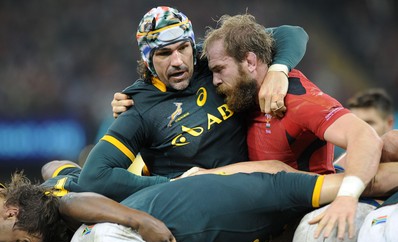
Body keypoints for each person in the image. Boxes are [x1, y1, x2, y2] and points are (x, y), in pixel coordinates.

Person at [78, 6, 308, 203]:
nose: (177, 61)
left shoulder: (211, 60)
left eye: (182, 48)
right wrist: (171, 183)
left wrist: (280, 69)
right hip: (196, 209)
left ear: (192, 45)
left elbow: (293, 34)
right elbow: (94, 177)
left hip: (260, 186)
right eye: (164, 53)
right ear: (148, 60)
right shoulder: (137, 108)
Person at [200, 14, 383, 240]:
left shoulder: (295, 100)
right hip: (272, 223)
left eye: (219, 69)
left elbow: (365, 137)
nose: (215, 80)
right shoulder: (245, 98)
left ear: (249, 62)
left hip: (309, 216)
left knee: (390, 145)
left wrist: (347, 196)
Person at [38, 161, 398, 242]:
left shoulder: (269, 191)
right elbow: (56, 168)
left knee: (354, 180)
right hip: (217, 192)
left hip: (251, 188)